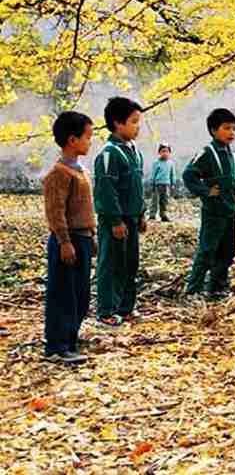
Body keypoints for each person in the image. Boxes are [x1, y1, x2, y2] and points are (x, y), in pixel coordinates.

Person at [42, 112, 96, 364]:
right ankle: (57, 346)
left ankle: (70, 340)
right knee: (63, 294)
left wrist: (91, 235)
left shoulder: (82, 170)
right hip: (67, 241)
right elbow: (55, 211)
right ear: (72, 140)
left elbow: (85, 209)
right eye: (87, 137)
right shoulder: (59, 173)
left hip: (82, 239)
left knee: (80, 295)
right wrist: (64, 241)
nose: (90, 142)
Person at [182, 109, 235, 300]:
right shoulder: (207, 153)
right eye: (226, 128)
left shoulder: (232, 155)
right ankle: (193, 289)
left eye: (234, 128)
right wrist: (205, 191)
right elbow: (189, 175)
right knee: (207, 250)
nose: (231, 132)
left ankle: (217, 287)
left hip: (229, 211)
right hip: (213, 211)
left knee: (227, 251)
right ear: (213, 130)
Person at [93, 97, 146, 328]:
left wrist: (141, 214)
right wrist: (115, 220)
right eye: (133, 122)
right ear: (117, 123)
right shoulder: (109, 153)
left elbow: (136, 188)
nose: (137, 127)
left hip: (132, 218)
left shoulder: (133, 151)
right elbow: (106, 190)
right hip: (115, 220)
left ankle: (125, 308)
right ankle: (106, 311)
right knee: (112, 264)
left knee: (130, 264)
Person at [147, 144, 176, 222]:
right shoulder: (156, 163)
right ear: (159, 152)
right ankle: (152, 215)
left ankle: (163, 215)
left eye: (167, 151)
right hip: (157, 184)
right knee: (155, 200)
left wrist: (173, 183)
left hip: (166, 184)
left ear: (169, 153)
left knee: (165, 201)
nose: (165, 153)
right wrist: (152, 183)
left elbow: (172, 174)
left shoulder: (171, 163)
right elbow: (153, 174)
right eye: (163, 151)